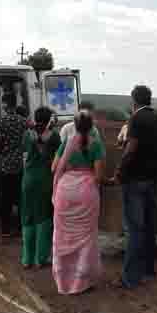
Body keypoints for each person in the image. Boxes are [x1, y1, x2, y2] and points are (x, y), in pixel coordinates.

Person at [113, 85, 157, 289]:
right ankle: (148, 270)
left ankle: (130, 278)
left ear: (134, 101)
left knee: (134, 229)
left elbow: (131, 148)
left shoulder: (136, 119)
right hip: (153, 180)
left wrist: (119, 171)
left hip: (134, 180)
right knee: (148, 227)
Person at [51, 110, 106, 295]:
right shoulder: (96, 145)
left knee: (62, 235)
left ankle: (63, 282)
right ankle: (81, 282)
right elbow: (98, 176)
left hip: (65, 191)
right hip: (86, 192)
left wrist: (70, 169)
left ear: (74, 125)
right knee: (86, 237)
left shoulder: (67, 143)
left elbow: (54, 167)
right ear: (91, 126)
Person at [21, 106, 61, 269]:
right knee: (44, 217)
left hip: (28, 179)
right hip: (45, 180)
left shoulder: (27, 134)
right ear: (49, 119)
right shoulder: (54, 136)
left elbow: (25, 154)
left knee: (27, 217)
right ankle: (41, 258)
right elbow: (58, 157)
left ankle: (26, 259)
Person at [0, 92, 26, 238]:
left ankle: (5, 229)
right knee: (19, 198)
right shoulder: (23, 121)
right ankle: (19, 227)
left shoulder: (1, 122)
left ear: (5, 104)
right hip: (19, 165)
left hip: (5, 165)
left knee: (4, 199)